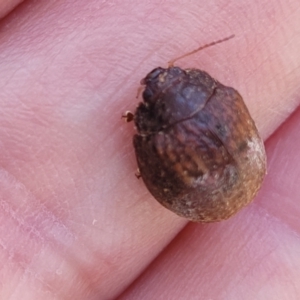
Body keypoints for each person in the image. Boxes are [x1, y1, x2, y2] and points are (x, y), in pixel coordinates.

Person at [0, 1, 299, 299]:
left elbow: (145, 146)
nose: (156, 78)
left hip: (222, 187)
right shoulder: (220, 99)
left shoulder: (162, 135)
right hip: (235, 179)